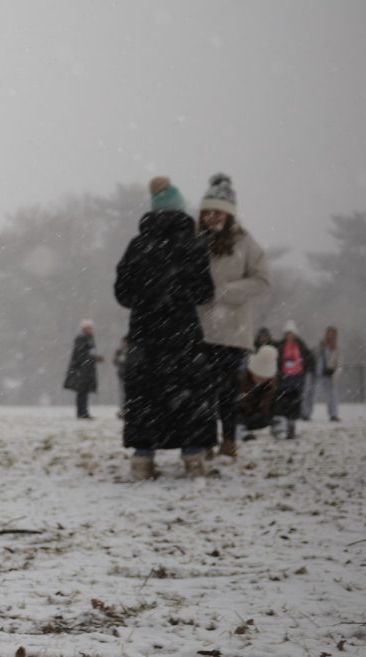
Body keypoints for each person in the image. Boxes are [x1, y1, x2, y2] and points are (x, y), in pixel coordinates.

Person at [114, 177, 216, 479]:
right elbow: (204, 293)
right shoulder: (193, 244)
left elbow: (122, 293)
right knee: (188, 391)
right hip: (183, 333)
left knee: (145, 393)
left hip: (146, 333)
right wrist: (178, 294)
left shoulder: (137, 245)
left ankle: (143, 457)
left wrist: (148, 297)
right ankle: (193, 455)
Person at [194, 174, 270, 458]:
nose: (211, 217)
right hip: (198, 329)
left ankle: (228, 439)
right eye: (206, 212)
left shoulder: (245, 243)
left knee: (225, 389)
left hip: (231, 330)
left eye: (216, 212)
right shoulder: (194, 239)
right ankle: (203, 440)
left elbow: (262, 281)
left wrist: (224, 291)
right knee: (200, 389)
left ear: (229, 214)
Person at [272, 321, 312, 439]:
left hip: (297, 379)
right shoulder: (280, 345)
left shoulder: (300, 345)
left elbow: (308, 358)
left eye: (291, 333)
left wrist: (306, 369)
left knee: (295, 403)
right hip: (284, 379)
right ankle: (283, 428)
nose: (289, 335)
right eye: (287, 333)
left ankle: (291, 428)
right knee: (284, 403)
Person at [235, 344, 279, 439]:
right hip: (242, 413)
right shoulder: (241, 380)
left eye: (263, 378)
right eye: (257, 376)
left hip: (259, 417)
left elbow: (270, 406)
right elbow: (237, 403)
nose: (259, 380)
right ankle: (240, 430)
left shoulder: (271, 386)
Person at [62, 319, 102, 419]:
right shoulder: (81, 339)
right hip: (81, 370)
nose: (90, 330)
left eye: (90, 328)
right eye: (88, 328)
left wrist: (94, 358)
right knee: (82, 393)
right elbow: (81, 355)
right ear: (83, 328)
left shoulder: (90, 338)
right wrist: (93, 358)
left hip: (87, 370)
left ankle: (84, 412)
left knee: (84, 392)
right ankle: (81, 413)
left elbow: (88, 353)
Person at [314, 326, 342, 423]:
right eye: (328, 333)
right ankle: (305, 413)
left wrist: (335, 372)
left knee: (332, 395)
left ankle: (333, 414)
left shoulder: (335, 348)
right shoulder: (321, 346)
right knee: (313, 393)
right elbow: (315, 356)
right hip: (318, 373)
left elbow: (338, 363)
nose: (330, 335)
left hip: (329, 374)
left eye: (332, 333)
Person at [112, 337, 129, 418]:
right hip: (121, 375)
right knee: (122, 394)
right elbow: (115, 361)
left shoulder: (130, 350)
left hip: (129, 375)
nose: (123, 344)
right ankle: (123, 410)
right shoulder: (119, 351)